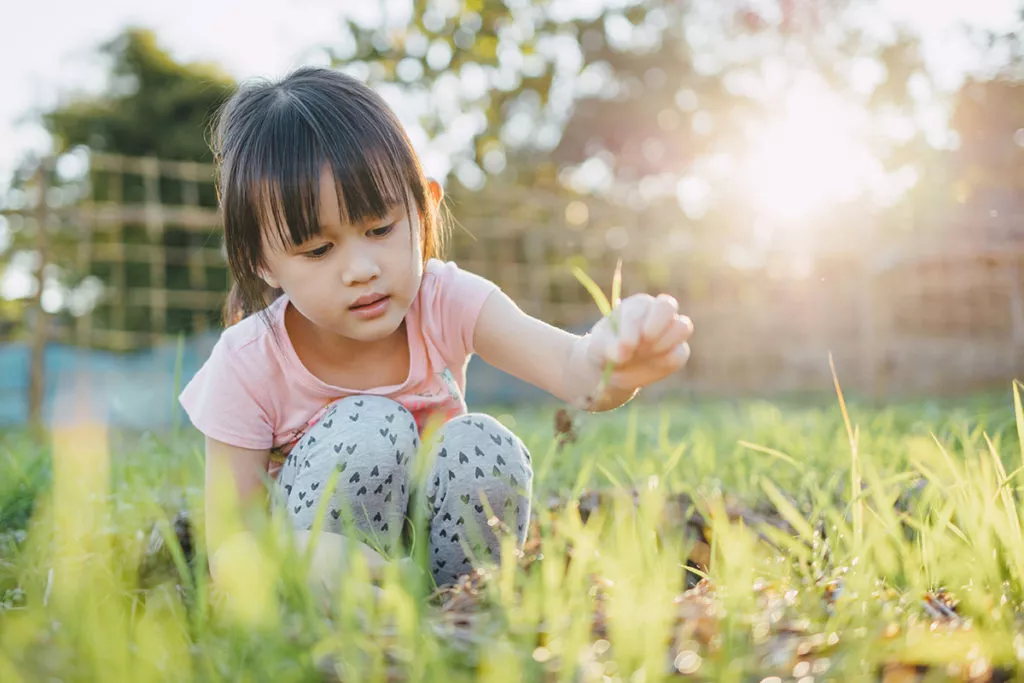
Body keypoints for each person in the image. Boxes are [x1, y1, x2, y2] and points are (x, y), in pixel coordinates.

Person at [179, 67, 693, 590]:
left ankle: (464, 605)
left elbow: (572, 368)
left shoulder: (446, 299)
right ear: (261, 262)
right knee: (367, 429)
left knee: (483, 443)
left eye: (380, 229)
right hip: (320, 573)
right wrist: (316, 566)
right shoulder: (248, 361)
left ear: (424, 208)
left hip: (440, 552)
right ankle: (361, 617)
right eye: (317, 250)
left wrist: (615, 359)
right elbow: (231, 543)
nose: (361, 268)